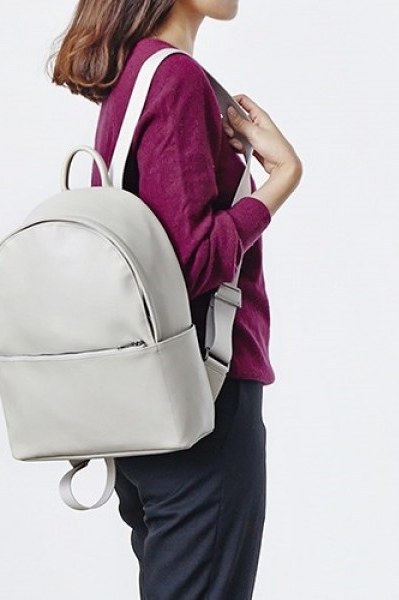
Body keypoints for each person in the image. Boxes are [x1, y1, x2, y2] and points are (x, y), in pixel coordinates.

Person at [48, 1, 302, 598]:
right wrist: (281, 180)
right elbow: (192, 262)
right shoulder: (174, 77)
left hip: (142, 403)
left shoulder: (136, 76)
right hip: (203, 402)